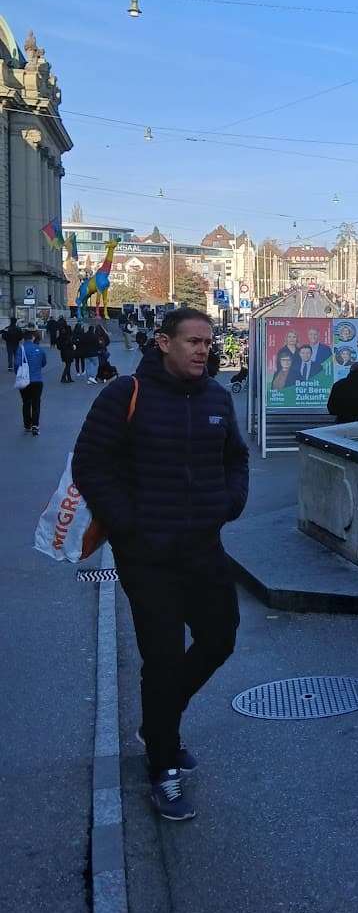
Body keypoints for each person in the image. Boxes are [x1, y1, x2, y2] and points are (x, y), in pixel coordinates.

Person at [71, 307, 249, 823]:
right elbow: (90, 464)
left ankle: (159, 723)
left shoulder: (216, 397)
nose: (203, 350)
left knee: (220, 638)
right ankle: (163, 764)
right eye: (193, 341)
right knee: (164, 659)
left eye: (207, 342)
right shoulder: (124, 395)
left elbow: (235, 458)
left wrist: (230, 503)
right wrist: (129, 524)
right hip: (147, 554)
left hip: (203, 548)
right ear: (163, 343)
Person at [16, 328, 46, 435]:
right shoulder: (39, 349)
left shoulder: (21, 349)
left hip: (25, 380)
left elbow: (17, 364)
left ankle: (27, 424)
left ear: (24, 339)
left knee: (26, 402)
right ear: (33, 338)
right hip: (37, 380)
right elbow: (43, 363)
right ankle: (35, 425)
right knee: (36, 402)